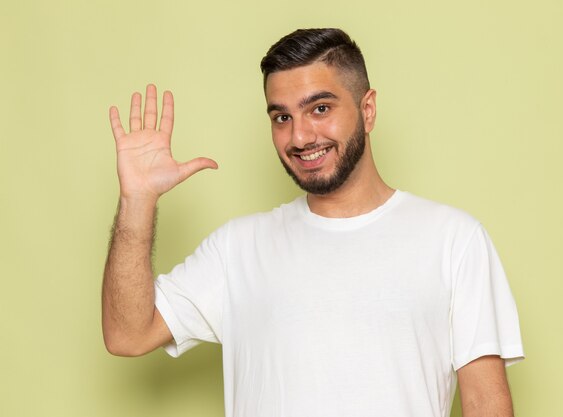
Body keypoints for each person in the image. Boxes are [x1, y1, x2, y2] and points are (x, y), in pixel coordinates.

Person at [102, 28, 524, 417]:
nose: (300, 137)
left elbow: (485, 400)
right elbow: (127, 334)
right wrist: (137, 201)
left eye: (319, 108)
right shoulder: (238, 249)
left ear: (368, 109)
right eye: (281, 117)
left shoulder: (453, 239)